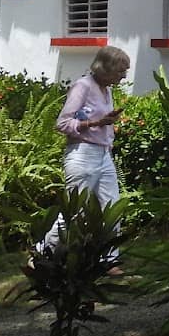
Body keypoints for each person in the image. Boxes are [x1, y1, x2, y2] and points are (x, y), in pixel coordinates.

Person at [40, 45, 130, 268]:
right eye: (120, 71)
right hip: (82, 154)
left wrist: (108, 125)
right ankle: (41, 253)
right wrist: (96, 124)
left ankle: (108, 260)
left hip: (103, 154)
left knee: (112, 207)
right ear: (105, 68)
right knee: (75, 213)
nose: (123, 76)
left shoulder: (106, 88)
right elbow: (62, 123)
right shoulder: (83, 86)